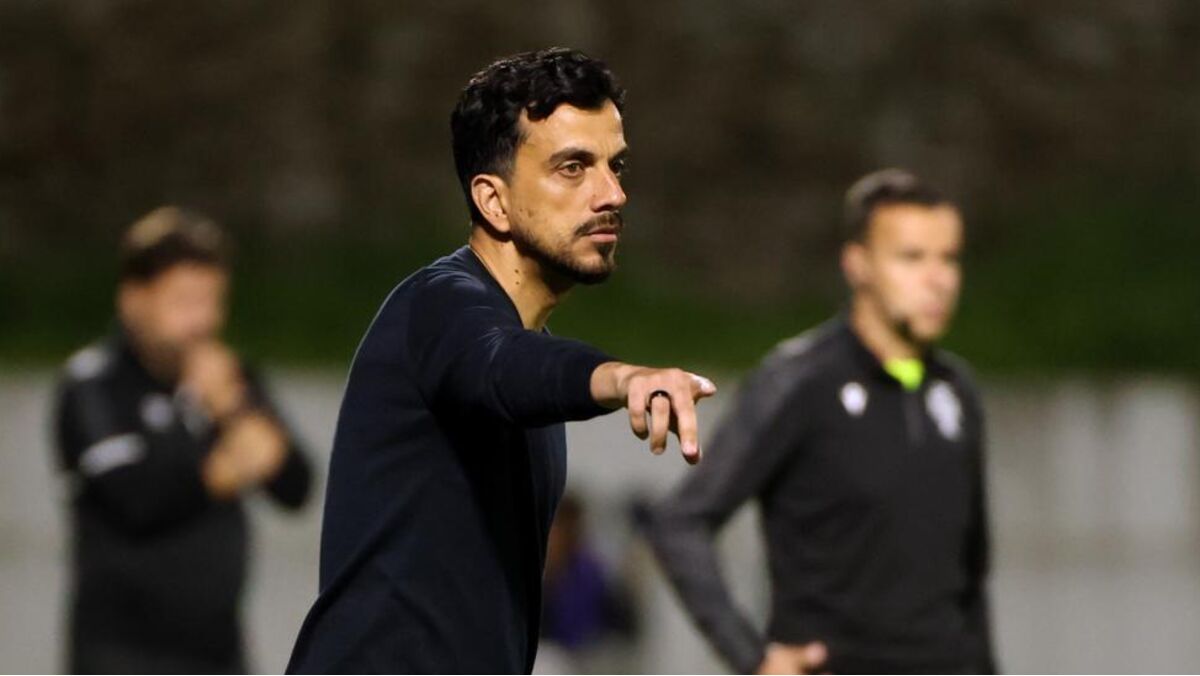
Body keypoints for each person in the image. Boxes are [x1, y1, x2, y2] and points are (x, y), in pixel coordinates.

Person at [286, 48, 716, 674]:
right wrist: (622, 377)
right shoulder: (440, 305)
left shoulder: (522, 347)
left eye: (615, 165)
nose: (613, 193)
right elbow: (500, 365)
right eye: (573, 167)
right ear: (494, 201)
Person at [647, 169, 997, 674]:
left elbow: (970, 578)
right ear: (858, 265)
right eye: (912, 257)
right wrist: (752, 658)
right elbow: (681, 521)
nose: (938, 279)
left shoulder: (957, 391)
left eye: (948, 258)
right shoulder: (800, 382)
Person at [52, 206, 313, 673]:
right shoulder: (94, 384)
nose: (202, 321)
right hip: (121, 657)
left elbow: (295, 487)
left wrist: (231, 407)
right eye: (184, 302)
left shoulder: (227, 379)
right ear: (134, 299)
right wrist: (226, 468)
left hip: (220, 656)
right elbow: (134, 499)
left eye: (212, 301)